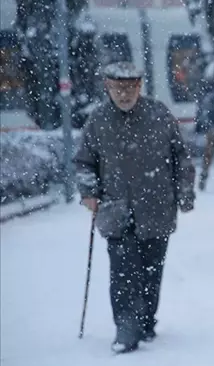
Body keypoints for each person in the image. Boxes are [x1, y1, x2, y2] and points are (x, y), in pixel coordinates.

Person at [74, 61, 196, 354]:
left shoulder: (159, 115)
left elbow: (181, 157)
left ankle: (145, 321)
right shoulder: (98, 120)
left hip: (156, 208)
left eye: (130, 88)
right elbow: (83, 162)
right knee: (123, 272)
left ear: (139, 87)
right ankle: (126, 329)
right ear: (108, 87)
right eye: (118, 88)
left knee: (152, 272)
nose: (124, 94)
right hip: (116, 212)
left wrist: (185, 193)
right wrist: (89, 191)